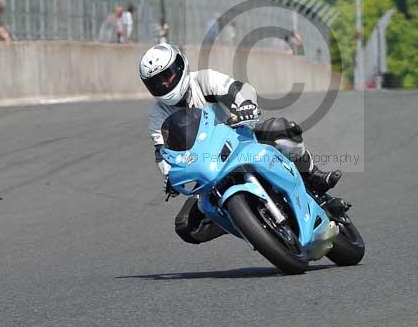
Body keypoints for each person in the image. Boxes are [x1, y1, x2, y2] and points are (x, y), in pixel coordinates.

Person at [139, 43, 343, 245]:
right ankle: (240, 220)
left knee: (281, 129)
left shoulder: (204, 79)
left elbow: (236, 89)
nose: (165, 84)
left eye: (167, 76)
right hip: (209, 169)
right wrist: (170, 175)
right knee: (186, 226)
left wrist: (244, 105)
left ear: (180, 67)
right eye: (157, 82)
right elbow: (163, 153)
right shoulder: (158, 114)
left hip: (241, 140)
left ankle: (312, 175)